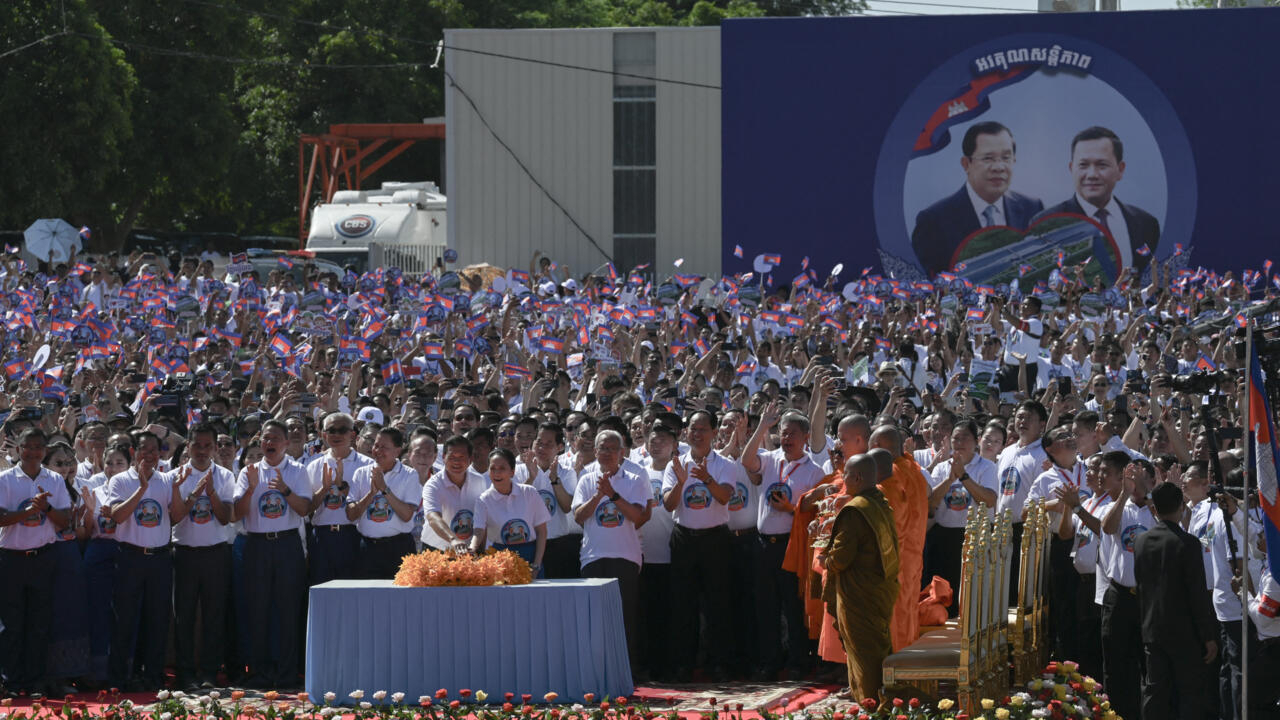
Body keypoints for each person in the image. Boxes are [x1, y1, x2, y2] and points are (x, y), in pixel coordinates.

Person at [741, 404, 825, 679]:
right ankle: (770, 662)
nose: (787, 439)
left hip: (792, 545)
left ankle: (799, 662)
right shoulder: (770, 459)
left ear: (805, 437)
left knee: (793, 605)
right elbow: (746, 460)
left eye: (792, 434)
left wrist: (791, 509)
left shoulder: (814, 471)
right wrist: (763, 426)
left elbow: (816, 513)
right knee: (766, 606)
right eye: (783, 433)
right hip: (764, 543)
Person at [232, 419, 312, 689]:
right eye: (266, 438)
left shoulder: (299, 470)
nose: (269, 443)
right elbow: (237, 513)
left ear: (287, 443)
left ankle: (287, 673)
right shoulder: (249, 471)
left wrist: (285, 490)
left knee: (288, 609)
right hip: (257, 545)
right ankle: (258, 671)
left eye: (276, 438)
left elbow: (304, 510)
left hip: (287, 544)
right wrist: (252, 487)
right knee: (257, 610)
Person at [911, 121, 1044, 277]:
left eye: (1006, 158)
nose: (999, 167)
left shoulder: (1032, 208)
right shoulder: (933, 221)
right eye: (988, 158)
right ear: (966, 164)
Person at [661, 410, 736, 682]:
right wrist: (682, 482)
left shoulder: (724, 464)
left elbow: (725, 497)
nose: (696, 433)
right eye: (692, 428)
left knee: (719, 604)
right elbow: (669, 504)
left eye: (703, 429)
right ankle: (683, 664)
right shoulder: (676, 464)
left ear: (714, 433)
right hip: (684, 539)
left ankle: (720, 663)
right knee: (683, 605)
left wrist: (706, 478)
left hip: (716, 539)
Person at [1134, 481, 1218, 720]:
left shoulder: (1141, 541)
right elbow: (1196, 593)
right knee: (1190, 692)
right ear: (1182, 506)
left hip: (1152, 628)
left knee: (1155, 689)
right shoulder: (1188, 543)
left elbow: (1140, 586)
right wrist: (1208, 636)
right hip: (1185, 632)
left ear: (1155, 509)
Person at [572, 430, 652, 674]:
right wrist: (599, 494)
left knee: (625, 617)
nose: (606, 453)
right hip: (594, 557)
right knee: (595, 619)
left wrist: (613, 495)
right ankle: (597, 670)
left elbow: (638, 517)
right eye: (602, 449)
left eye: (612, 449)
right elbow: (579, 516)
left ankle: (628, 671)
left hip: (625, 556)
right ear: (595, 452)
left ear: (622, 453)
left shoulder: (635, 479)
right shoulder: (586, 478)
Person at [821, 452, 899, 703]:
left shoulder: (855, 510)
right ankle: (885, 698)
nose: (843, 478)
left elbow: (841, 558)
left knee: (864, 652)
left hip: (859, 593)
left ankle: (871, 705)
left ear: (857, 477)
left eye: (845, 474)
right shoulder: (880, 503)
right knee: (877, 647)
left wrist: (826, 561)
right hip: (880, 587)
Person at [105, 431, 180, 691]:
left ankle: (153, 677)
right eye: (143, 450)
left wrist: (183, 493)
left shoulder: (167, 480)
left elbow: (177, 516)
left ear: (160, 454)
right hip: (130, 556)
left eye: (154, 450)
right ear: (134, 452)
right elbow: (117, 515)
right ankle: (120, 677)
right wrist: (142, 489)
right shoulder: (120, 480)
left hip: (159, 558)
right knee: (124, 620)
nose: (148, 455)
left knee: (157, 620)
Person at [1030, 126, 1161, 274]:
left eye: (1102, 165)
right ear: (1072, 169)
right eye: (1083, 165)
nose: (1092, 174)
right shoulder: (1045, 224)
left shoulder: (1146, 224)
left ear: (1120, 170)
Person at [170, 423, 235, 690]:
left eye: (208, 445)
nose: (202, 450)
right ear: (188, 445)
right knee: (183, 617)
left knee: (214, 616)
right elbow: (174, 517)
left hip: (216, 554)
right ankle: (185, 673)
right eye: (197, 444)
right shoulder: (174, 476)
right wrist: (193, 493)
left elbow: (224, 517)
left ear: (215, 448)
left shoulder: (225, 476)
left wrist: (210, 493)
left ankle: (210, 672)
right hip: (183, 553)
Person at [1098, 452, 1156, 720]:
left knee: (1150, 666)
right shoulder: (1122, 506)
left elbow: (1177, 524)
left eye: (1139, 475)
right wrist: (1124, 494)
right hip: (1120, 595)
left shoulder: (1155, 509)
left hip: (1150, 600)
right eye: (1129, 476)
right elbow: (1108, 528)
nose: (1133, 480)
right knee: (1116, 662)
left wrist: (1148, 495)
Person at [926, 418, 998, 615]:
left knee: (972, 592)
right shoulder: (942, 467)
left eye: (965, 438)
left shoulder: (987, 467)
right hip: (945, 536)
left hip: (974, 537)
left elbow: (989, 499)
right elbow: (931, 503)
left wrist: (964, 477)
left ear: (976, 441)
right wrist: (950, 478)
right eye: (956, 439)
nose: (959, 443)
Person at [867, 427, 929, 652]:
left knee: (894, 617)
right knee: (907, 612)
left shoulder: (891, 475)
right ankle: (905, 671)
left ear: (877, 448)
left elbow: (891, 521)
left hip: (896, 558)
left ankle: (892, 675)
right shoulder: (912, 468)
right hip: (913, 554)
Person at [346, 427, 421, 579]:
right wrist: (371, 493)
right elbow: (351, 515)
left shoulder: (409, 475)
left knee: (401, 599)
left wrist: (384, 489)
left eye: (384, 447)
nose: (378, 450)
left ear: (397, 451)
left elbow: (407, 515)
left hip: (398, 548)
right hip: (367, 549)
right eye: (376, 445)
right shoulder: (361, 473)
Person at [306, 412, 372, 585]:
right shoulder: (314, 465)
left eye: (342, 430)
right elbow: (307, 509)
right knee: (321, 591)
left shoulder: (367, 465)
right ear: (323, 434)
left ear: (352, 434)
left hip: (354, 536)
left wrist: (343, 487)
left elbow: (369, 504)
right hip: (322, 537)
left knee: (352, 593)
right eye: (331, 430)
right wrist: (325, 489)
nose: (336, 435)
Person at [471, 447, 549, 570]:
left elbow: (542, 531)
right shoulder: (483, 500)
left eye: (502, 468)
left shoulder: (529, 492)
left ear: (512, 472)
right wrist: (472, 548)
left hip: (530, 555)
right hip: (499, 558)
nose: (497, 473)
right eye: (492, 469)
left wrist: (537, 564)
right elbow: (479, 530)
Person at [422, 435, 489, 554]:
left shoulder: (480, 481)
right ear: (443, 457)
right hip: (437, 550)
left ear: (470, 459)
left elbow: (482, 519)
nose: (457, 462)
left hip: (468, 551)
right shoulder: (433, 485)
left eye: (462, 457)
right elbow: (433, 517)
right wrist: (453, 539)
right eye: (452, 457)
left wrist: (481, 550)